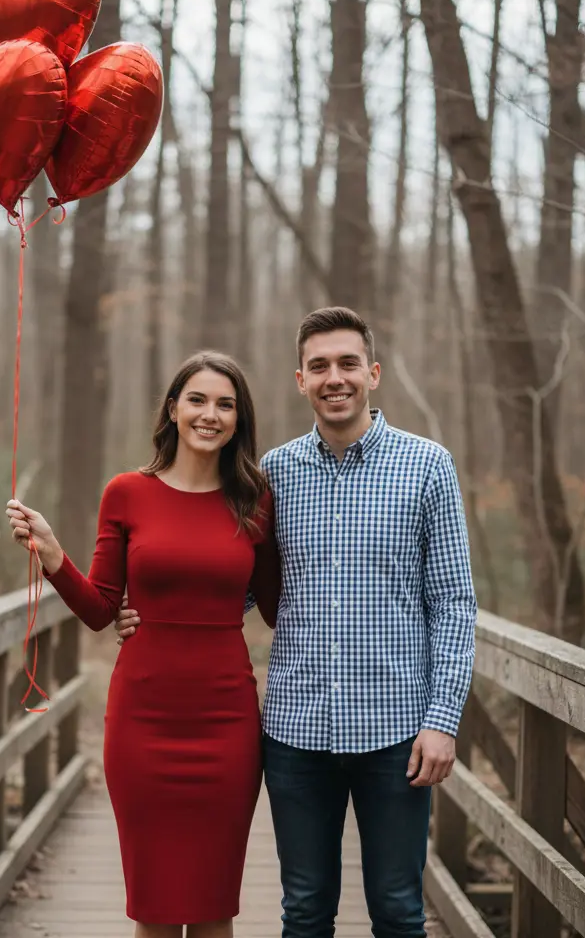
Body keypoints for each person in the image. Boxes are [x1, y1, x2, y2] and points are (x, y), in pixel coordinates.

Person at [115, 307, 478, 938]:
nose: (335, 377)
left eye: (347, 363)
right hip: (295, 731)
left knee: (398, 910)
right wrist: (154, 614)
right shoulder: (271, 477)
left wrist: (442, 720)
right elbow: (240, 583)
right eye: (319, 366)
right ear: (300, 380)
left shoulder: (427, 466)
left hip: (396, 730)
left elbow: (453, 603)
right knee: (304, 912)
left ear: (372, 373)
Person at [6, 351, 280, 938]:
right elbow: (100, 609)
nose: (210, 415)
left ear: (239, 419)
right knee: (153, 908)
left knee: (214, 907)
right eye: (197, 400)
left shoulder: (255, 500)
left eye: (225, 404)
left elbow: (279, 606)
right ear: (173, 409)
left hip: (227, 722)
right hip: (143, 721)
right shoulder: (127, 493)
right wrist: (52, 553)